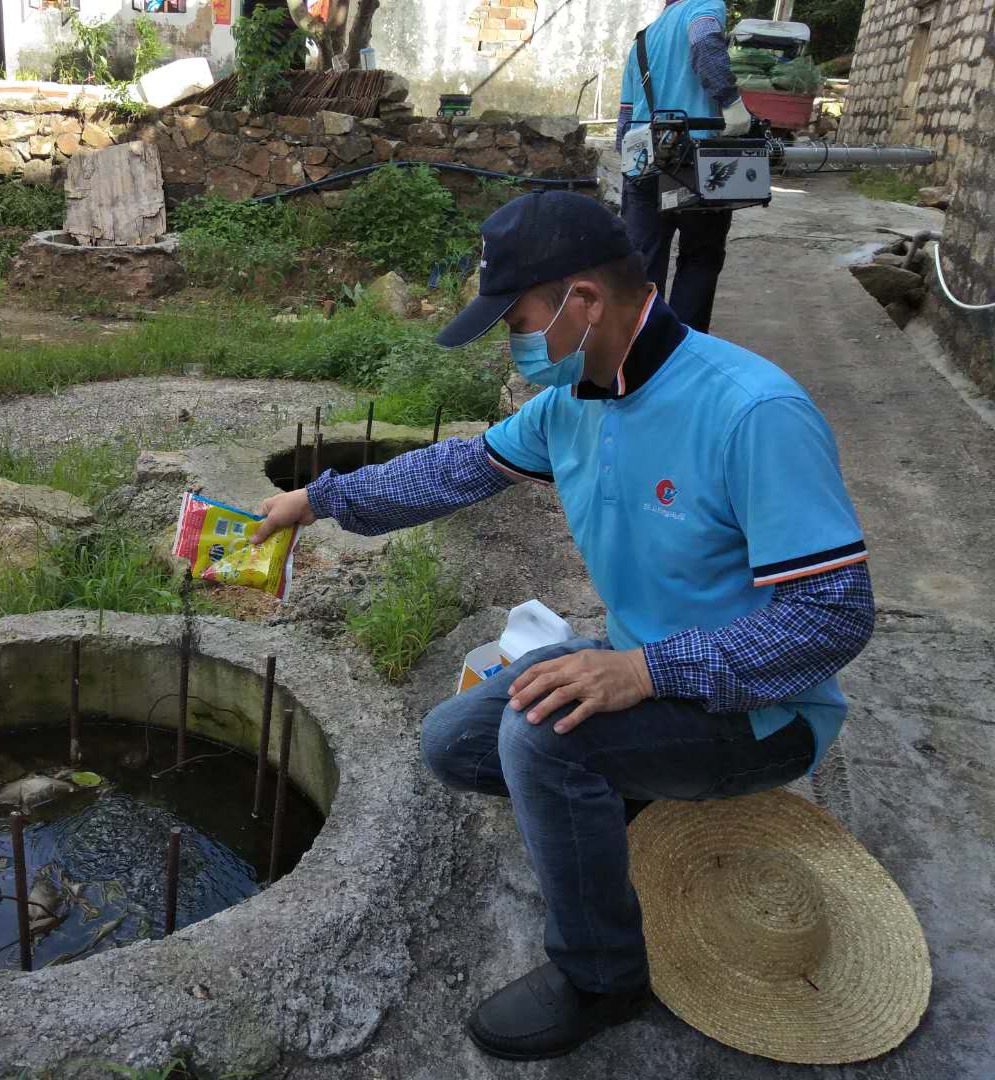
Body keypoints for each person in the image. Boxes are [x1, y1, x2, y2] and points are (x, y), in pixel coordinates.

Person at [249, 191, 874, 1060]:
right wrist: (318, 499)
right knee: (456, 742)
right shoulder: (575, 400)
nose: (514, 339)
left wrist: (645, 674)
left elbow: (831, 617)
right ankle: (637, 786)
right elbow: (459, 469)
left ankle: (602, 977)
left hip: (762, 712)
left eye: (518, 317)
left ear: (583, 302)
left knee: (543, 744)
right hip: (641, 666)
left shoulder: (750, 412)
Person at [617, 1, 751, 333]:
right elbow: (705, 43)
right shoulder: (705, 6)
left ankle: (639, 350)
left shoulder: (643, 40)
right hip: (696, 160)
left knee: (643, 263)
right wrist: (730, 102)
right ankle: (683, 353)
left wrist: (631, 176)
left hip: (644, 162)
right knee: (699, 259)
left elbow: (625, 119)